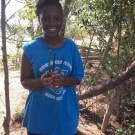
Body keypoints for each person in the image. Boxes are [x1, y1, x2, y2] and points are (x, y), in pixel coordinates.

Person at [20, 0, 84, 135]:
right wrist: (40, 81)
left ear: (62, 19)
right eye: (46, 18)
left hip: (65, 117)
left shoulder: (71, 47)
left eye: (57, 18)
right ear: (39, 19)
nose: (52, 23)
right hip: (38, 119)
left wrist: (64, 81)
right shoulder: (30, 49)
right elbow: (25, 81)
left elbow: (78, 77)